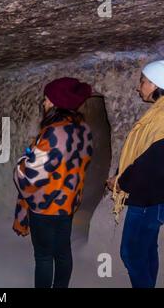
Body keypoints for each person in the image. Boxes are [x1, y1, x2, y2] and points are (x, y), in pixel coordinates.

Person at [13, 77, 93, 288]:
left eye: (47, 99)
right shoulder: (84, 129)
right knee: (63, 252)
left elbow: (31, 173)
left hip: (45, 205)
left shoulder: (53, 131)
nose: (44, 103)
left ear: (56, 103)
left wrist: (22, 161)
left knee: (44, 256)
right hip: (67, 203)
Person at [107, 60, 164, 288]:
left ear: (155, 84)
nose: (138, 86)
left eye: (142, 82)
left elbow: (152, 161)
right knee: (148, 248)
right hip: (155, 197)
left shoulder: (161, 118)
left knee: (130, 252)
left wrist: (121, 182)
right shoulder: (158, 114)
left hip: (147, 199)